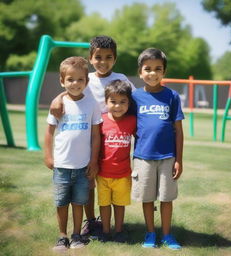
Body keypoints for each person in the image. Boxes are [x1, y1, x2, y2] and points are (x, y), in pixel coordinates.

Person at [49, 35, 135, 239]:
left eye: (108, 57)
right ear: (91, 57)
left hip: (113, 140)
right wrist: (58, 97)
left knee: (111, 182)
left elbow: (135, 100)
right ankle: (92, 221)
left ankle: (115, 225)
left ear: (115, 58)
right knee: (88, 183)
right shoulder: (86, 79)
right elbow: (72, 91)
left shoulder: (122, 79)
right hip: (88, 139)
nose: (103, 62)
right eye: (98, 57)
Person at [44, 56, 102, 250]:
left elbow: (95, 136)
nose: (75, 83)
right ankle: (62, 236)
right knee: (61, 203)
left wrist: (93, 161)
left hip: (83, 166)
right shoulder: (58, 105)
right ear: (62, 81)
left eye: (80, 79)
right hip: (61, 165)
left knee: (78, 202)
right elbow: (49, 131)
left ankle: (77, 235)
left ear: (86, 81)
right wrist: (48, 155)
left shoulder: (92, 104)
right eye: (70, 79)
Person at [131, 48, 184, 250]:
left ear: (164, 72)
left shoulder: (172, 96)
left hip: (168, 156)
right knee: (146, 197)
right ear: (140, 72)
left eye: (157, 69)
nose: (152, 73)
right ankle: (151, 233)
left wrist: (179, 159)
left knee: (166, 197)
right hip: (142, 156)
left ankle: (168, 234)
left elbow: (178, 131)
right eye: (147, 69)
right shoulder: (134, 97)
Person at [97, 80, 136, 243]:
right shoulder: (101, 120)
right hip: (102, 173)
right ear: (106, 102)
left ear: (129, 103)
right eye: (113, 101)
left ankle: (119, 230)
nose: (118, 106)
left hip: (123, 174)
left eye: (122, 102)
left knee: (120, 204)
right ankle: (105, 231)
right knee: (104, 204)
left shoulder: (132, 121)